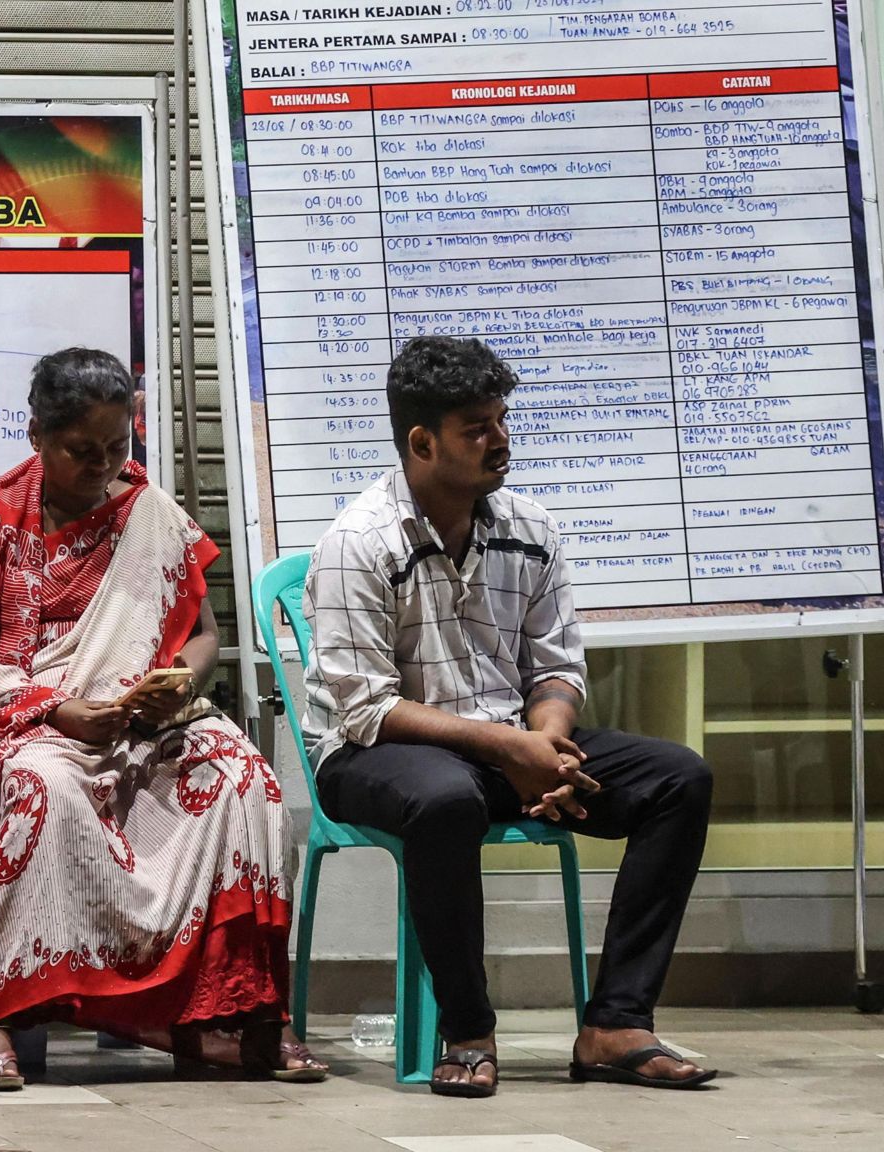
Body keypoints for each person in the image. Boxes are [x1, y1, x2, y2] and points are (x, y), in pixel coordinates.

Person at [303, 335, 716, 1098]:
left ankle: (615, 1023)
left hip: (504, 744)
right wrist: (512, 750)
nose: (501, 440)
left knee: (677, 778)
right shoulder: (357, 543)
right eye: (478, 428)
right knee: (445, 798)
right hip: (374, 754)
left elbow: (556, 669)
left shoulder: (532, 527)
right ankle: (467, 1030)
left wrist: (546, 749)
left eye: (501, 419)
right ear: (421, 442)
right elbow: (365, 706)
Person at [0, 347, 325, 1086]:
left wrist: (178, 685)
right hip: (38, 720)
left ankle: (246, 1013)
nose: (103, 467)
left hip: (151, 718)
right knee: (44, 793)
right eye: (83, 451)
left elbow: (204, 633)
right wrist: (65, 709)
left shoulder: (148, 508)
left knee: (246, 780)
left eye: (118, 448)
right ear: (37, 434)